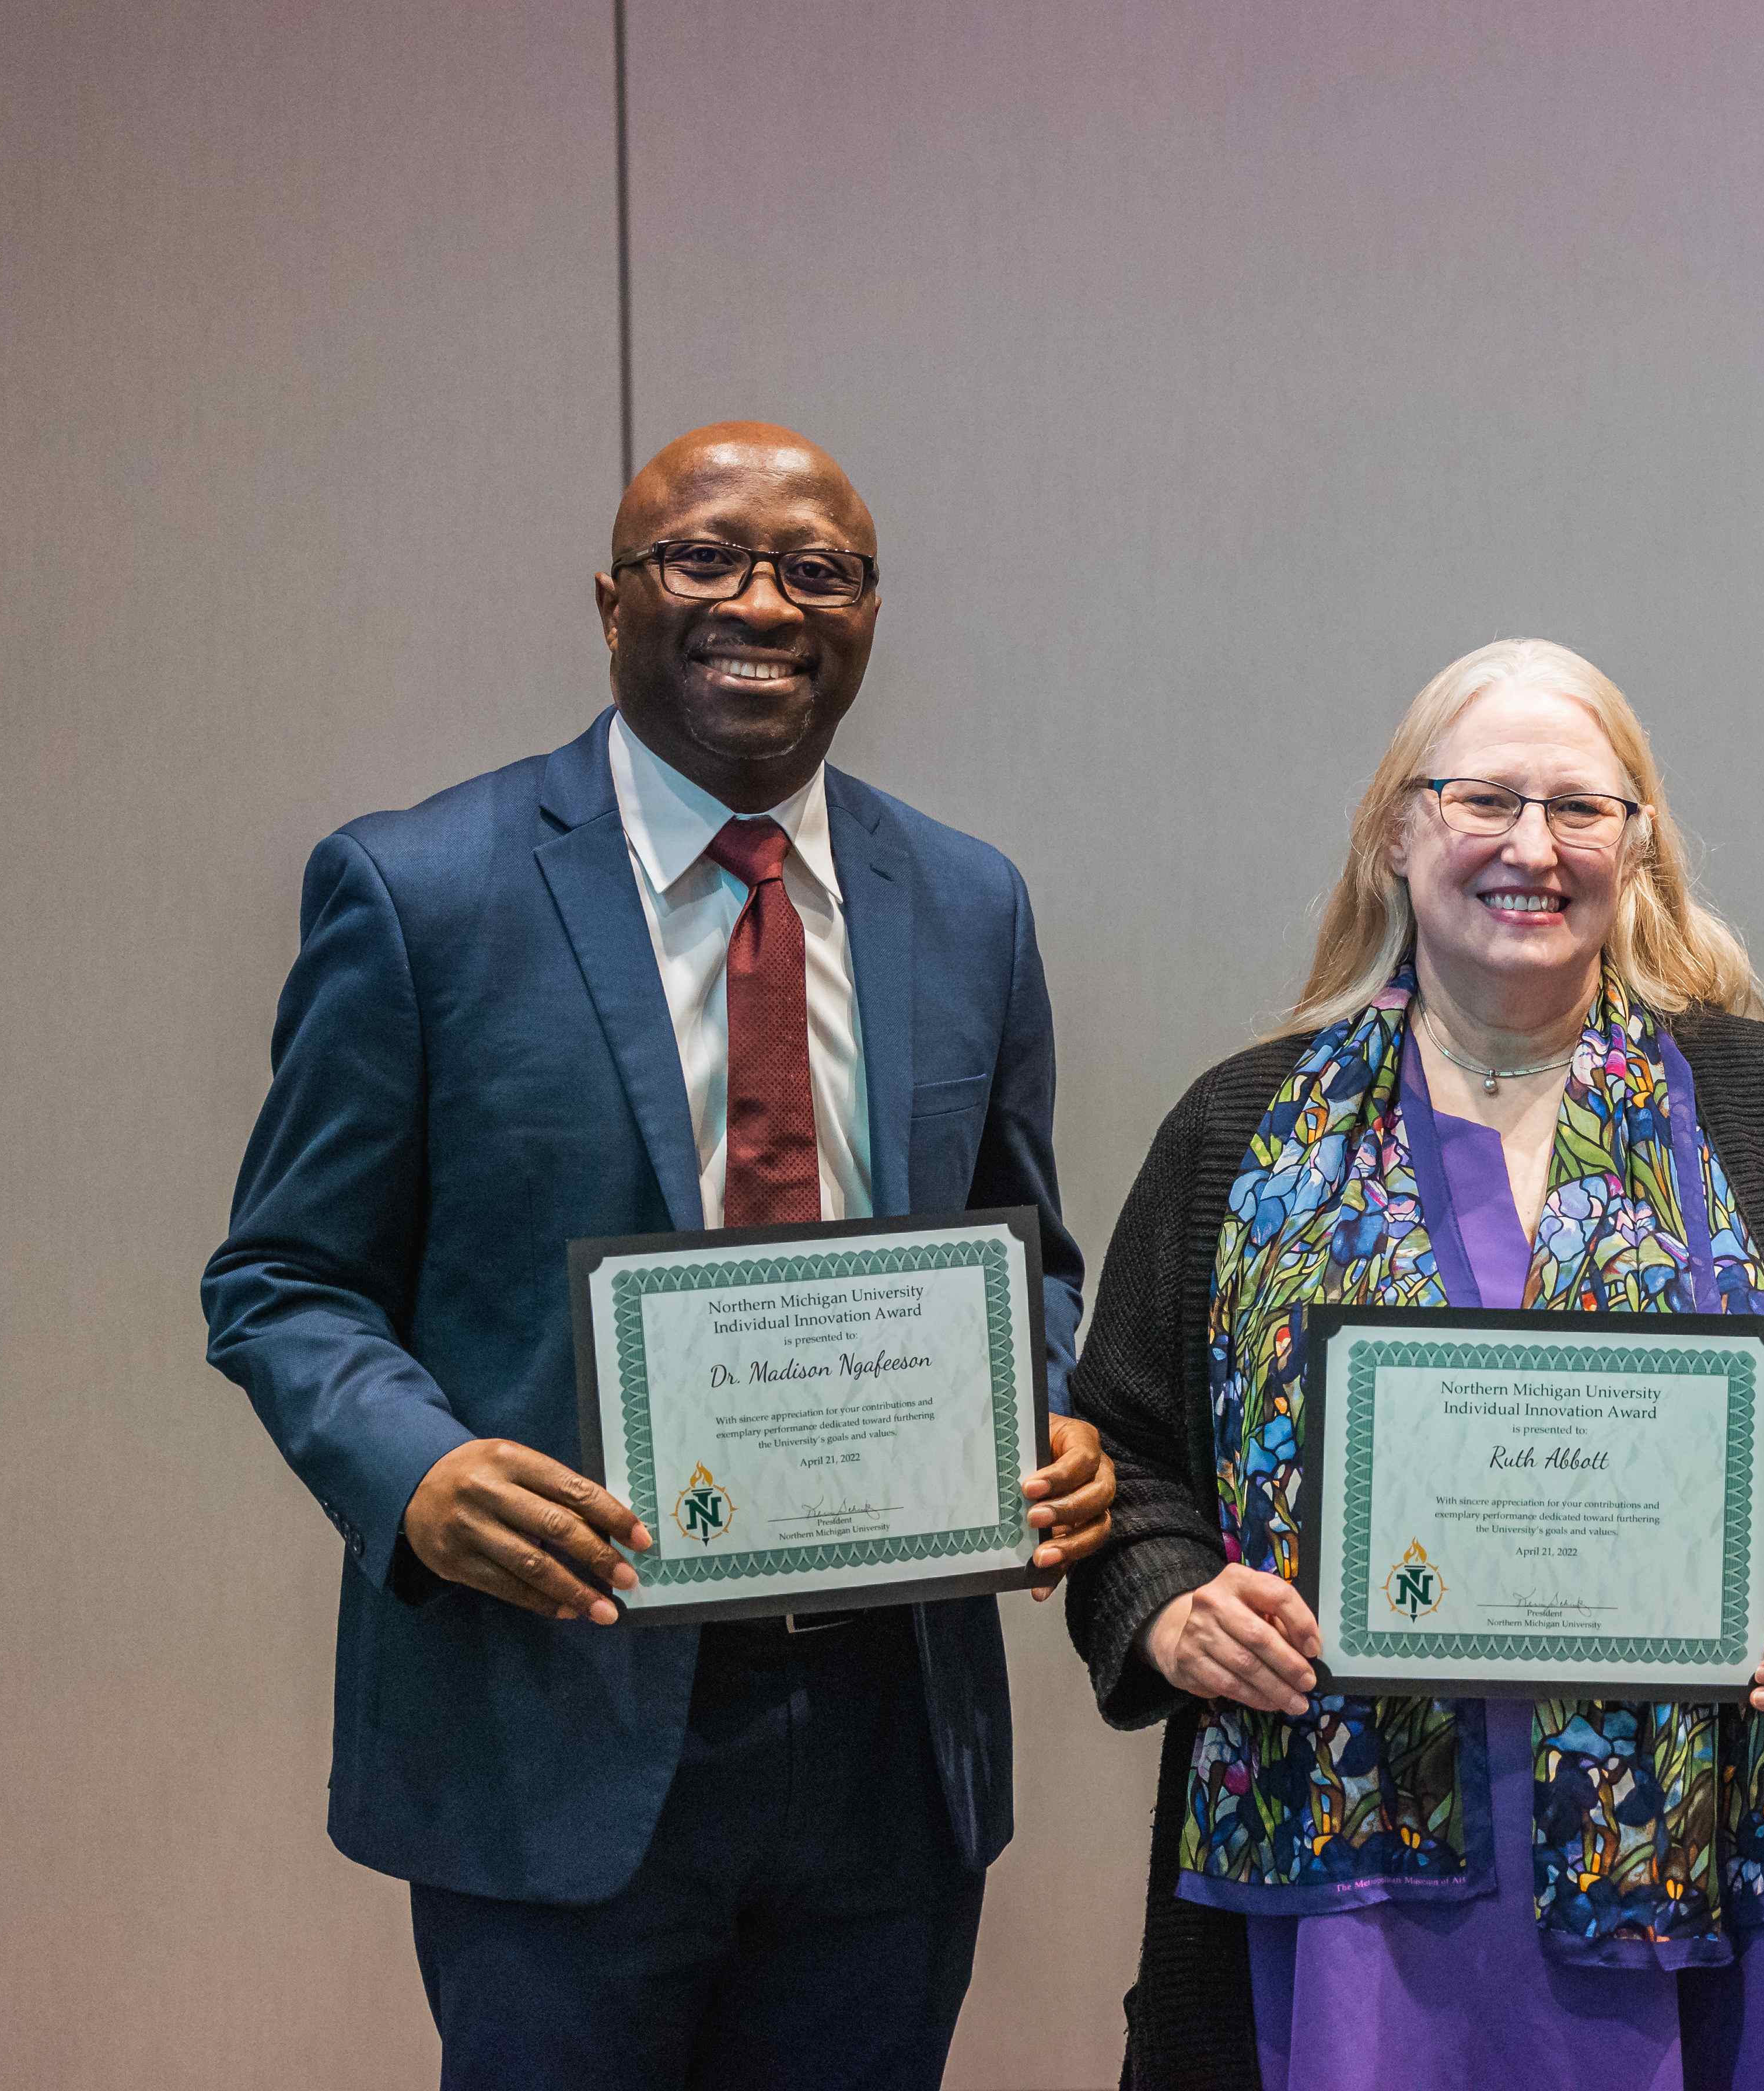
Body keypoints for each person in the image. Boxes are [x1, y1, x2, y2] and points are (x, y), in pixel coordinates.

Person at [202, 422, 1114, 2089]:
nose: (761, 602)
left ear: (869, 615)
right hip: (556, 1712)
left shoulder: (971, 904)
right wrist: (417, 1474)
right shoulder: (422, 892)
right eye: (706, 558)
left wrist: (1042, 1404)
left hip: (888, 1745)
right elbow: (280, 1280)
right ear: (613, 597)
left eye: (815, 570)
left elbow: (1029, 1249)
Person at [1063, 639, 1764, 2088]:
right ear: (1397, 830)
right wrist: (1174, 1609)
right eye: (1484, 798)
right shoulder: (1238, 1136)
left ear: (1637, 848)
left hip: (1721, 1888)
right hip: (1345, 1917)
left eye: (1581, 808)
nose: (1533, 846)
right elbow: (1121, 1458)